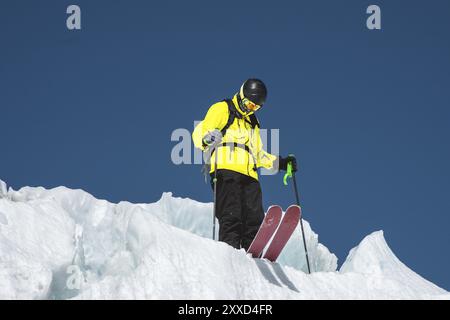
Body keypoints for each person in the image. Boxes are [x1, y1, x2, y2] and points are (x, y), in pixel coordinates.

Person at [192, 79, 297, 250]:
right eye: (249, 104)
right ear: (241, 96)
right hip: (226, 171)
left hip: (250, 176)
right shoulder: (222, 108)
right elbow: (201, 131)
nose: (250, 109)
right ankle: (230, 252)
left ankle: (251, 255)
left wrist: (281, 163)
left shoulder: (253, 123)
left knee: (254, 220)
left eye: (255, 107)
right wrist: (207, 138)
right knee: (231, 216)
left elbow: (258, 155)